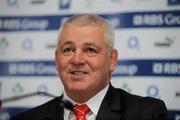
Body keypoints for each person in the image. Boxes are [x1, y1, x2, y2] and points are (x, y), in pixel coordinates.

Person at [11, 14, 168, 120]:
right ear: (57, 59)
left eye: (90, 50)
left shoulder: (148, 114)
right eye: (68, 50)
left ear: (112, 60)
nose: (77, 59)